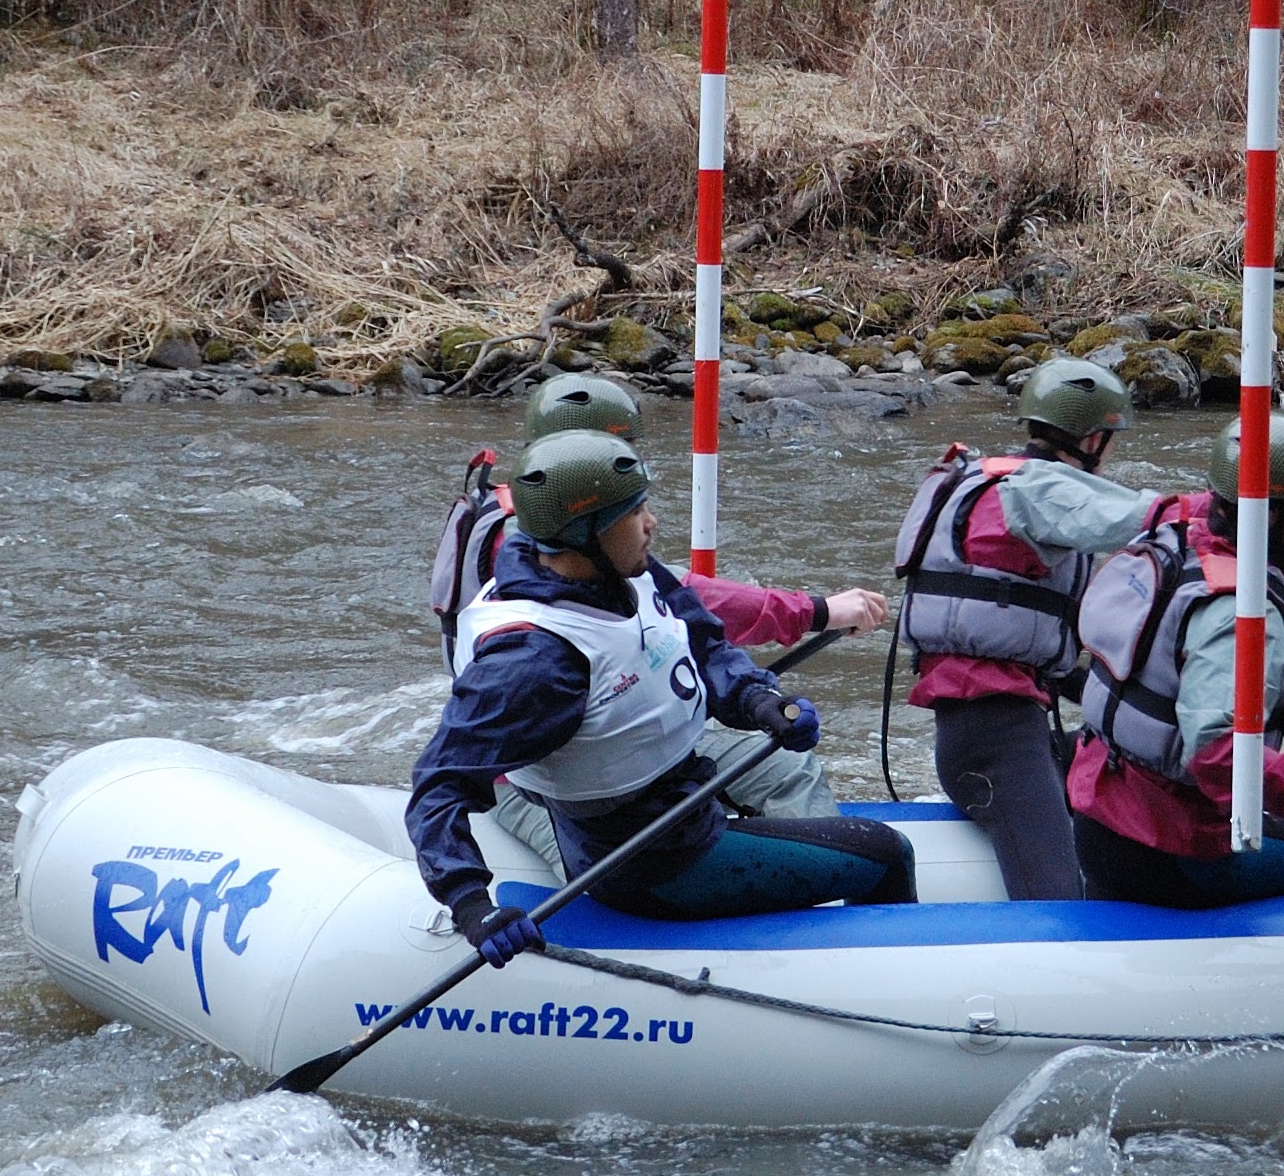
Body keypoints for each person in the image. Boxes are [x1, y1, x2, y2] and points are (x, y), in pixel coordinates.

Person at [407, 432, 913, 968]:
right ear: (584, 533)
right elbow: (439, 784)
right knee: (885, 853)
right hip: (653, 866)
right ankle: (890, 979)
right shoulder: (534, 663)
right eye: (634, 512)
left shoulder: (626, 576)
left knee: (799, 790)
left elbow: (705, 645)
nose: (651, 523)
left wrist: (757, 700)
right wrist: (471, 903)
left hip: (681, 808)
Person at [432, 372, 886, 869]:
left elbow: (683, 619)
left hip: (615, 747)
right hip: (545, 781)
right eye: (617, 455)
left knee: (781, 766)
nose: (630, 476)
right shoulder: (551, 552)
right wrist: (816, 611)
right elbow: (701, 600)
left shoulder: (569, 531)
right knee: (594, 870)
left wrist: (753, 698)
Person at [1065, 415, 1284, 909]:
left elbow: (1178, 646)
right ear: (1274, 514)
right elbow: (1216, 755)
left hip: (1099, 818)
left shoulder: (1176, 539)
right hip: (1172, 853)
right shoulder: (1240, 615)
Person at [891, 358, 1162, 900]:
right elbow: (1143, 519)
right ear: (1092, 440)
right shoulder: (1037, 493)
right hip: (1000, 745)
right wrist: (1232, 513)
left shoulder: (996, 480)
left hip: (992, 732)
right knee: (1056, 899)